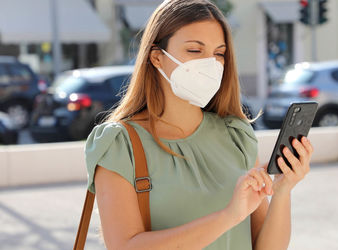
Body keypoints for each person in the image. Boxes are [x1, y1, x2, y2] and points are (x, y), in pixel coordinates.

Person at [84, 0, 314, 249]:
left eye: (219, 53)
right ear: (157, 57)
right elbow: (124, 246)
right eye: (195, 50)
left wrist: (282, 191)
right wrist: (229, 216)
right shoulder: (119, 144)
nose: (210, 64)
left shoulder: (237, 135)